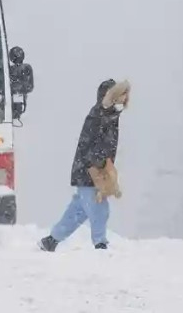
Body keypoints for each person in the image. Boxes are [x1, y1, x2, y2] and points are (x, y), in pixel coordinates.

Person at [40, 78, 130, 252]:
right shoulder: (98, 115)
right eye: (122, 95)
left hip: (91, 170)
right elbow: (88, 144)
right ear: (112, 97)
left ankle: (50, 241)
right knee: (99, 208)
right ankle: (100, 245)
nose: (125, 99)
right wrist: (100, 163)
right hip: (88, 171)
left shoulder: (110, 116)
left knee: (78, 212)